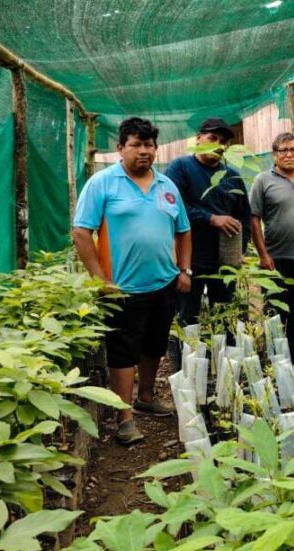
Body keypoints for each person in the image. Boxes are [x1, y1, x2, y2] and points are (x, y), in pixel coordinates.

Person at [72, 117, 192, 445]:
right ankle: (124, 417)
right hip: (122, 289)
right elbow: (82, 233)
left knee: (154, 344)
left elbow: (183, 230)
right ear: (120, 148)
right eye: (136, 145)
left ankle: (148, 396)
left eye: (149, 145)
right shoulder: (103, 184)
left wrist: (185, 270)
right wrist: (100, 280)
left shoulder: (167, 186)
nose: (144, 151)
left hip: (164, 283)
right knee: (123, 351)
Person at [164, 117, 251, 327]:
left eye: (223, 142)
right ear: (198, 138)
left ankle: (221, 360)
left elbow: (244, 217)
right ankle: (187, 359)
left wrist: (241, 250)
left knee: (224, 317)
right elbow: (174, 207)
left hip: (224, 263)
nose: (218, 145)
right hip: (189, 261)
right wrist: (211, 219)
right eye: (213, 138)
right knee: (187, 319)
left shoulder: (232, 176)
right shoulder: (180, 167)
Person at [249, 132, 294, 364]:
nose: (289, 154)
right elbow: (253, 219)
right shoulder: (263, 180)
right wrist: (262, 254)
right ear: (274, 155)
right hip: (276, 258)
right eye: (283, 150)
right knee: (276, 310)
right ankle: (275, 359)